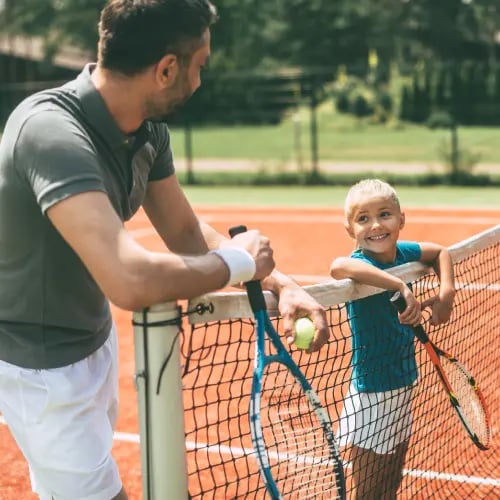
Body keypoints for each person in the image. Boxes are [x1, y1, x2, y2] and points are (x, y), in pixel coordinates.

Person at [0, 1, 330, 499]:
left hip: (91, 340)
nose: (200, 80)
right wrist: (239, 262)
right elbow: (129, 280)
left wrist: (278, 283)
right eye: (200, 65)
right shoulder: (51, 132)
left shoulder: (146, 130)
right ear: (167, 69)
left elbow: (183, 229)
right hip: (36, 365)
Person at [329, 179, 455, 499]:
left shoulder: (402, 252)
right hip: (372, 396)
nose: (375, 225)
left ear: (401, 219)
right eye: (362, 219)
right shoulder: (362, 261)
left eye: (384, 214)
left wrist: (446, 293)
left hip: (403, 384)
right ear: (349, 229)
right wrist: (398, 286)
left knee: (389, 486)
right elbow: (339, 266)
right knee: (369, 493)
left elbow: (440, 251)